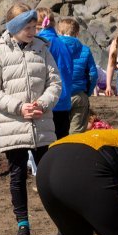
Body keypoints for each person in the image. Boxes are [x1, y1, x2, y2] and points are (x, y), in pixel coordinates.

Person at [0, 3, 61, 235]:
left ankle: (61, 223)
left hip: (41, 122)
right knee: (17, 176)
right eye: (27, 27)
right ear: (15, 27)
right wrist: (19, 107)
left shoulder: (42, 49)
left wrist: (43, 103)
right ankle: (23, 226)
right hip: (13, 124)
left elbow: (55, 83)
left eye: (34, 26)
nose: (32, 31)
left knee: (48, 177)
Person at [54, 18, 99, 134]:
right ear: (77, 34)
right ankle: (73, 151)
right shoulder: (85, 50)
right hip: (78, 94)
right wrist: (87, 92)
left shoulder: (54, 48)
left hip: (59, 95)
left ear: (58, 32)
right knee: (76, 132)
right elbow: (93, 74)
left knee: (58, 131)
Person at [34, 9, 73, 139]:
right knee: (61, 140)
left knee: (45, 143)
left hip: (47, 101)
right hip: (64, 99)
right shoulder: (63, 43)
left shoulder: (40, 43)